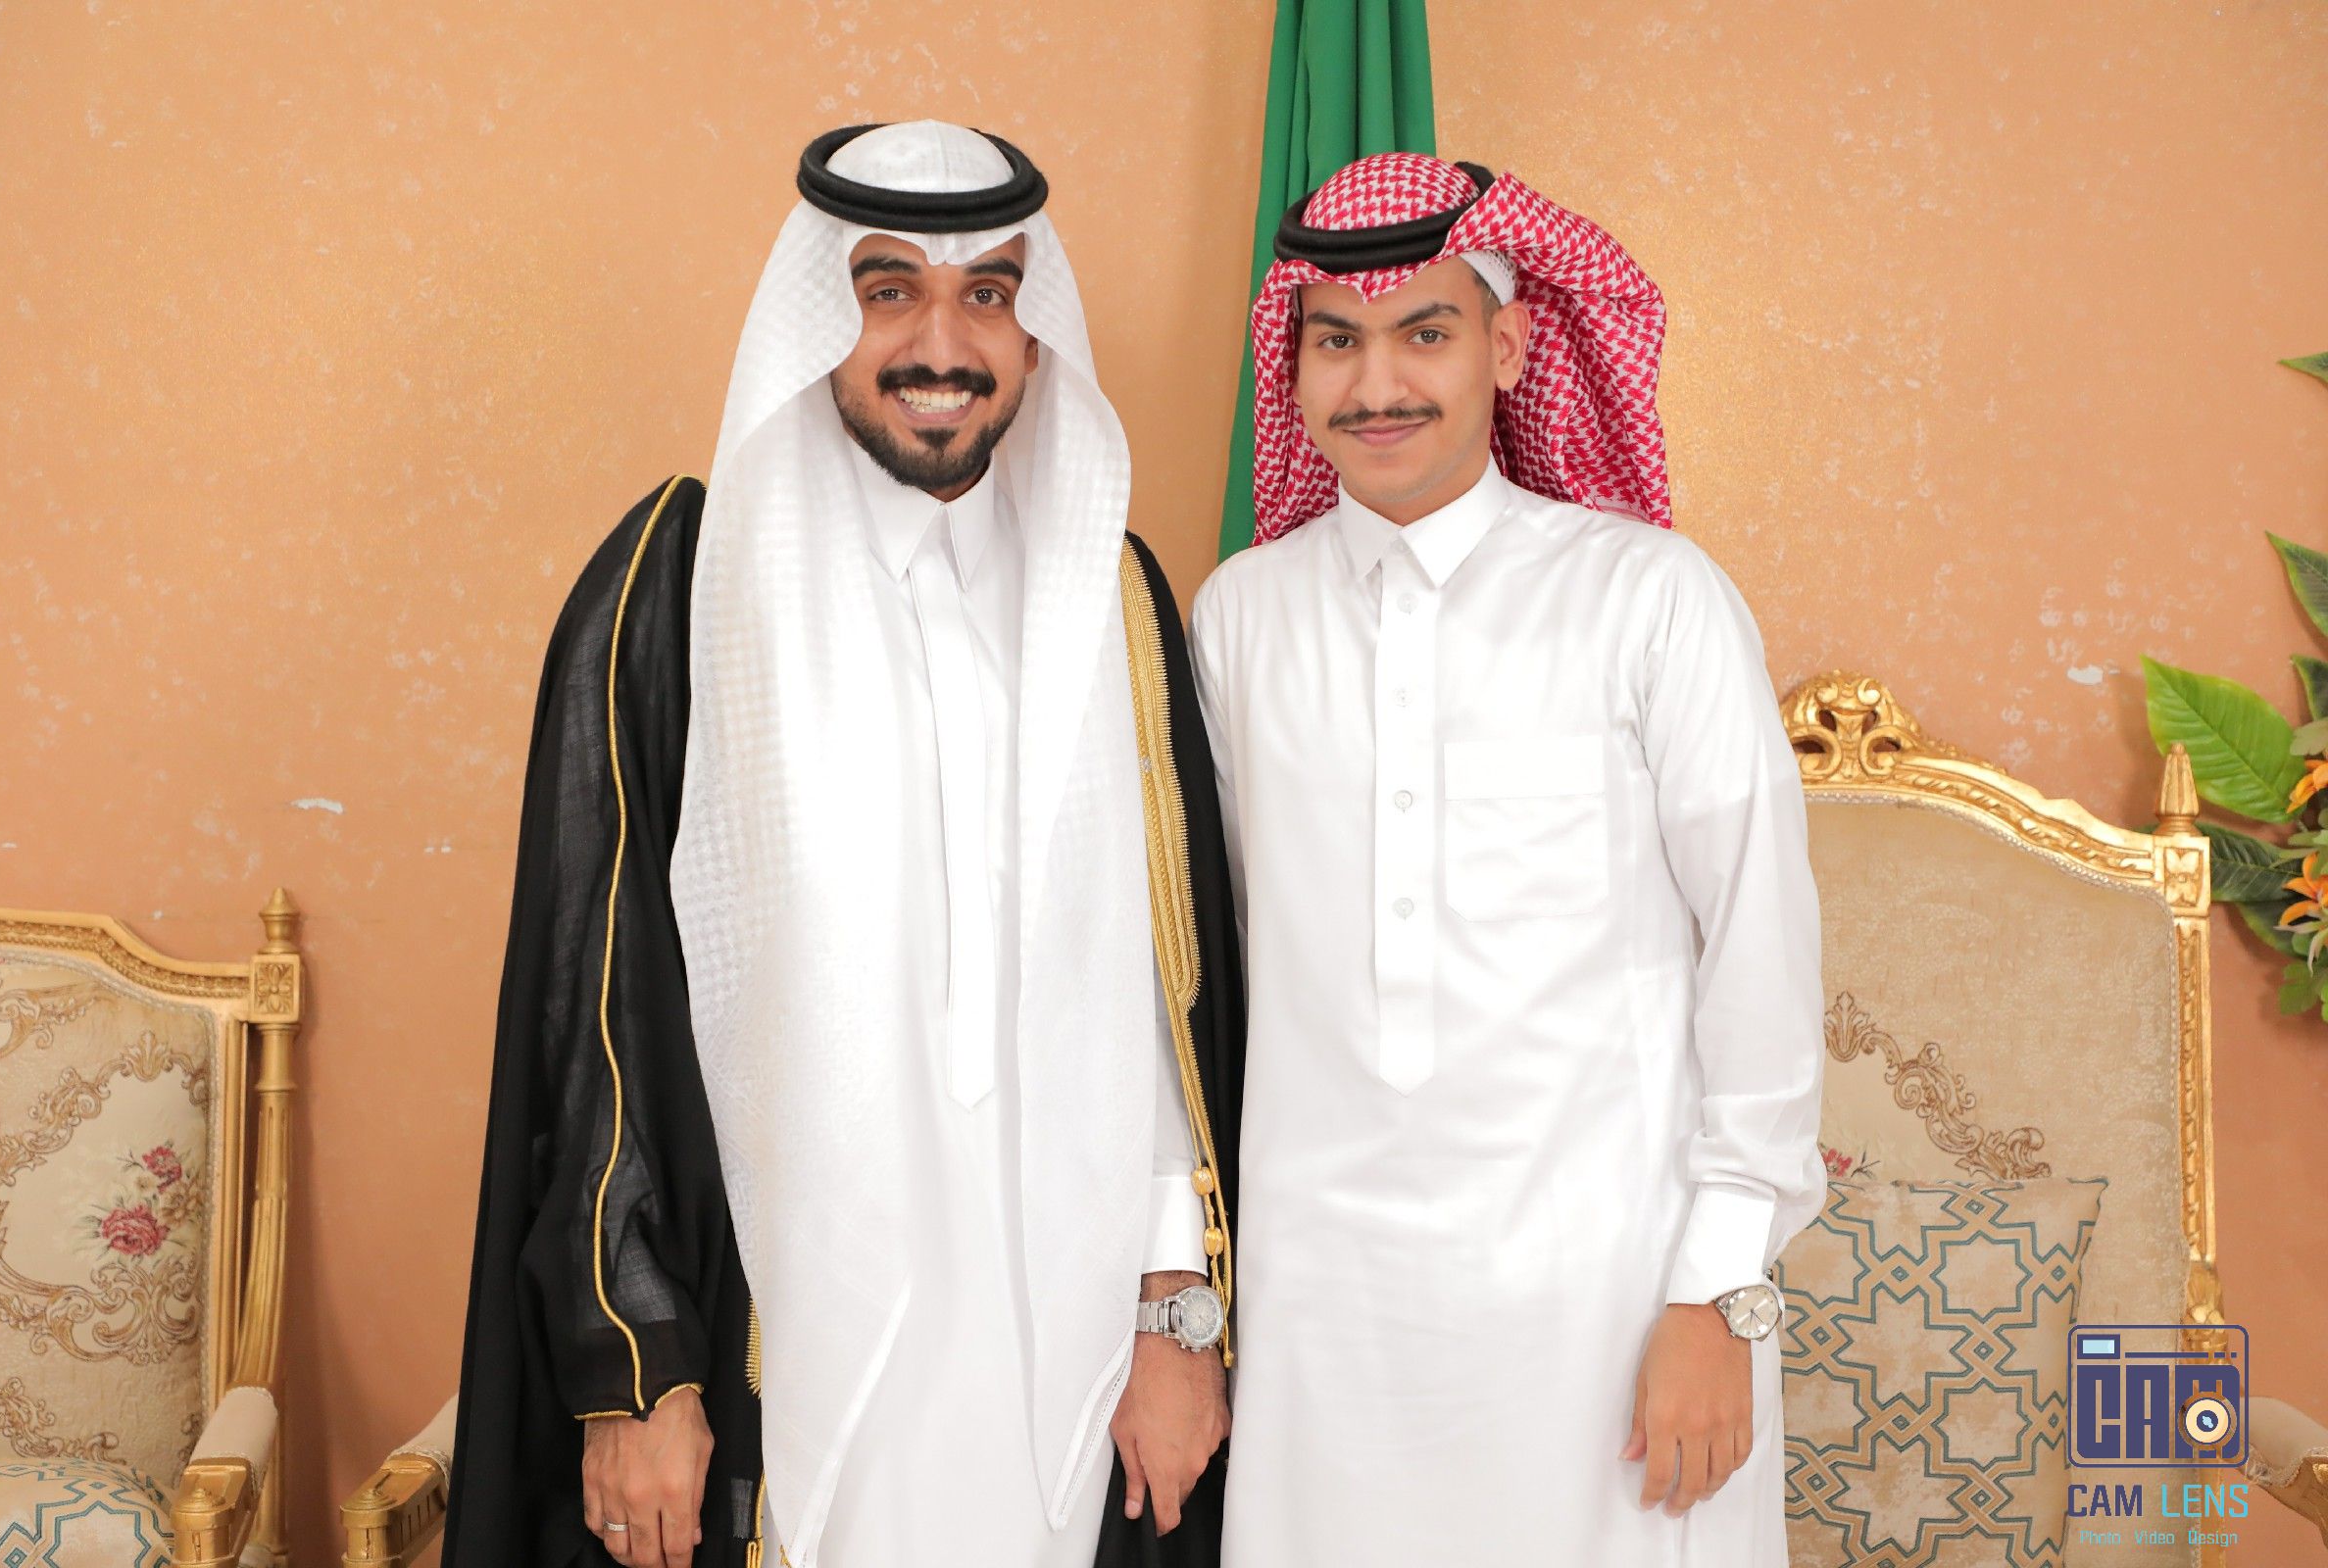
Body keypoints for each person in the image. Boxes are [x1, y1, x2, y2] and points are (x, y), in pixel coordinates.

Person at [443, 120, 1243, 1568]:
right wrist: (637, 1362)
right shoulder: (684, 581)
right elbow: (594, 1005)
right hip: (783, 1339)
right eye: (888, 292)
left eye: (988, 294)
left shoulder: (1111, 594)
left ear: (1034, 328)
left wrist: (1175, 1317)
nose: (943, 343)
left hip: (1062, 1355)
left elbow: (1158, 996)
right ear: (821, 315)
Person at [1189, 151, 1825, 1566]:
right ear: (1294, 369)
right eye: (1337, 343)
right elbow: (1201, 977)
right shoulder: (1238, 619)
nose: (1378, 384)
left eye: (1426, 332)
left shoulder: (1650, 598)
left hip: (1617, 1303)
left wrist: (1721, 1293)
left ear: (1515, 346)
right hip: (1328, 1321)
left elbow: (1761, 950)